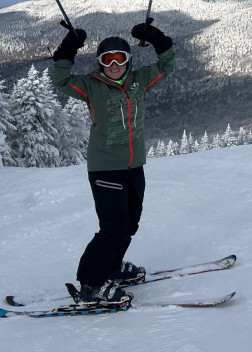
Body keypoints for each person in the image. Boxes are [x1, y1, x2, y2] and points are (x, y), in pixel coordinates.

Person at [51, 22, 175, 307]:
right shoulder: (91, 86)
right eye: (108, 60)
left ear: (128, 60)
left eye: (120, 58)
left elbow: (167, 65)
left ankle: (112, 267)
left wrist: (158, 39)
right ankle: (91, 283)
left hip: (134, 166)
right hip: (105, 168)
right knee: (114, 228)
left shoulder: (139, 81)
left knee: (129, 224)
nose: (115, 65)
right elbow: (61, 80)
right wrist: (68, 49)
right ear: (100, 62)